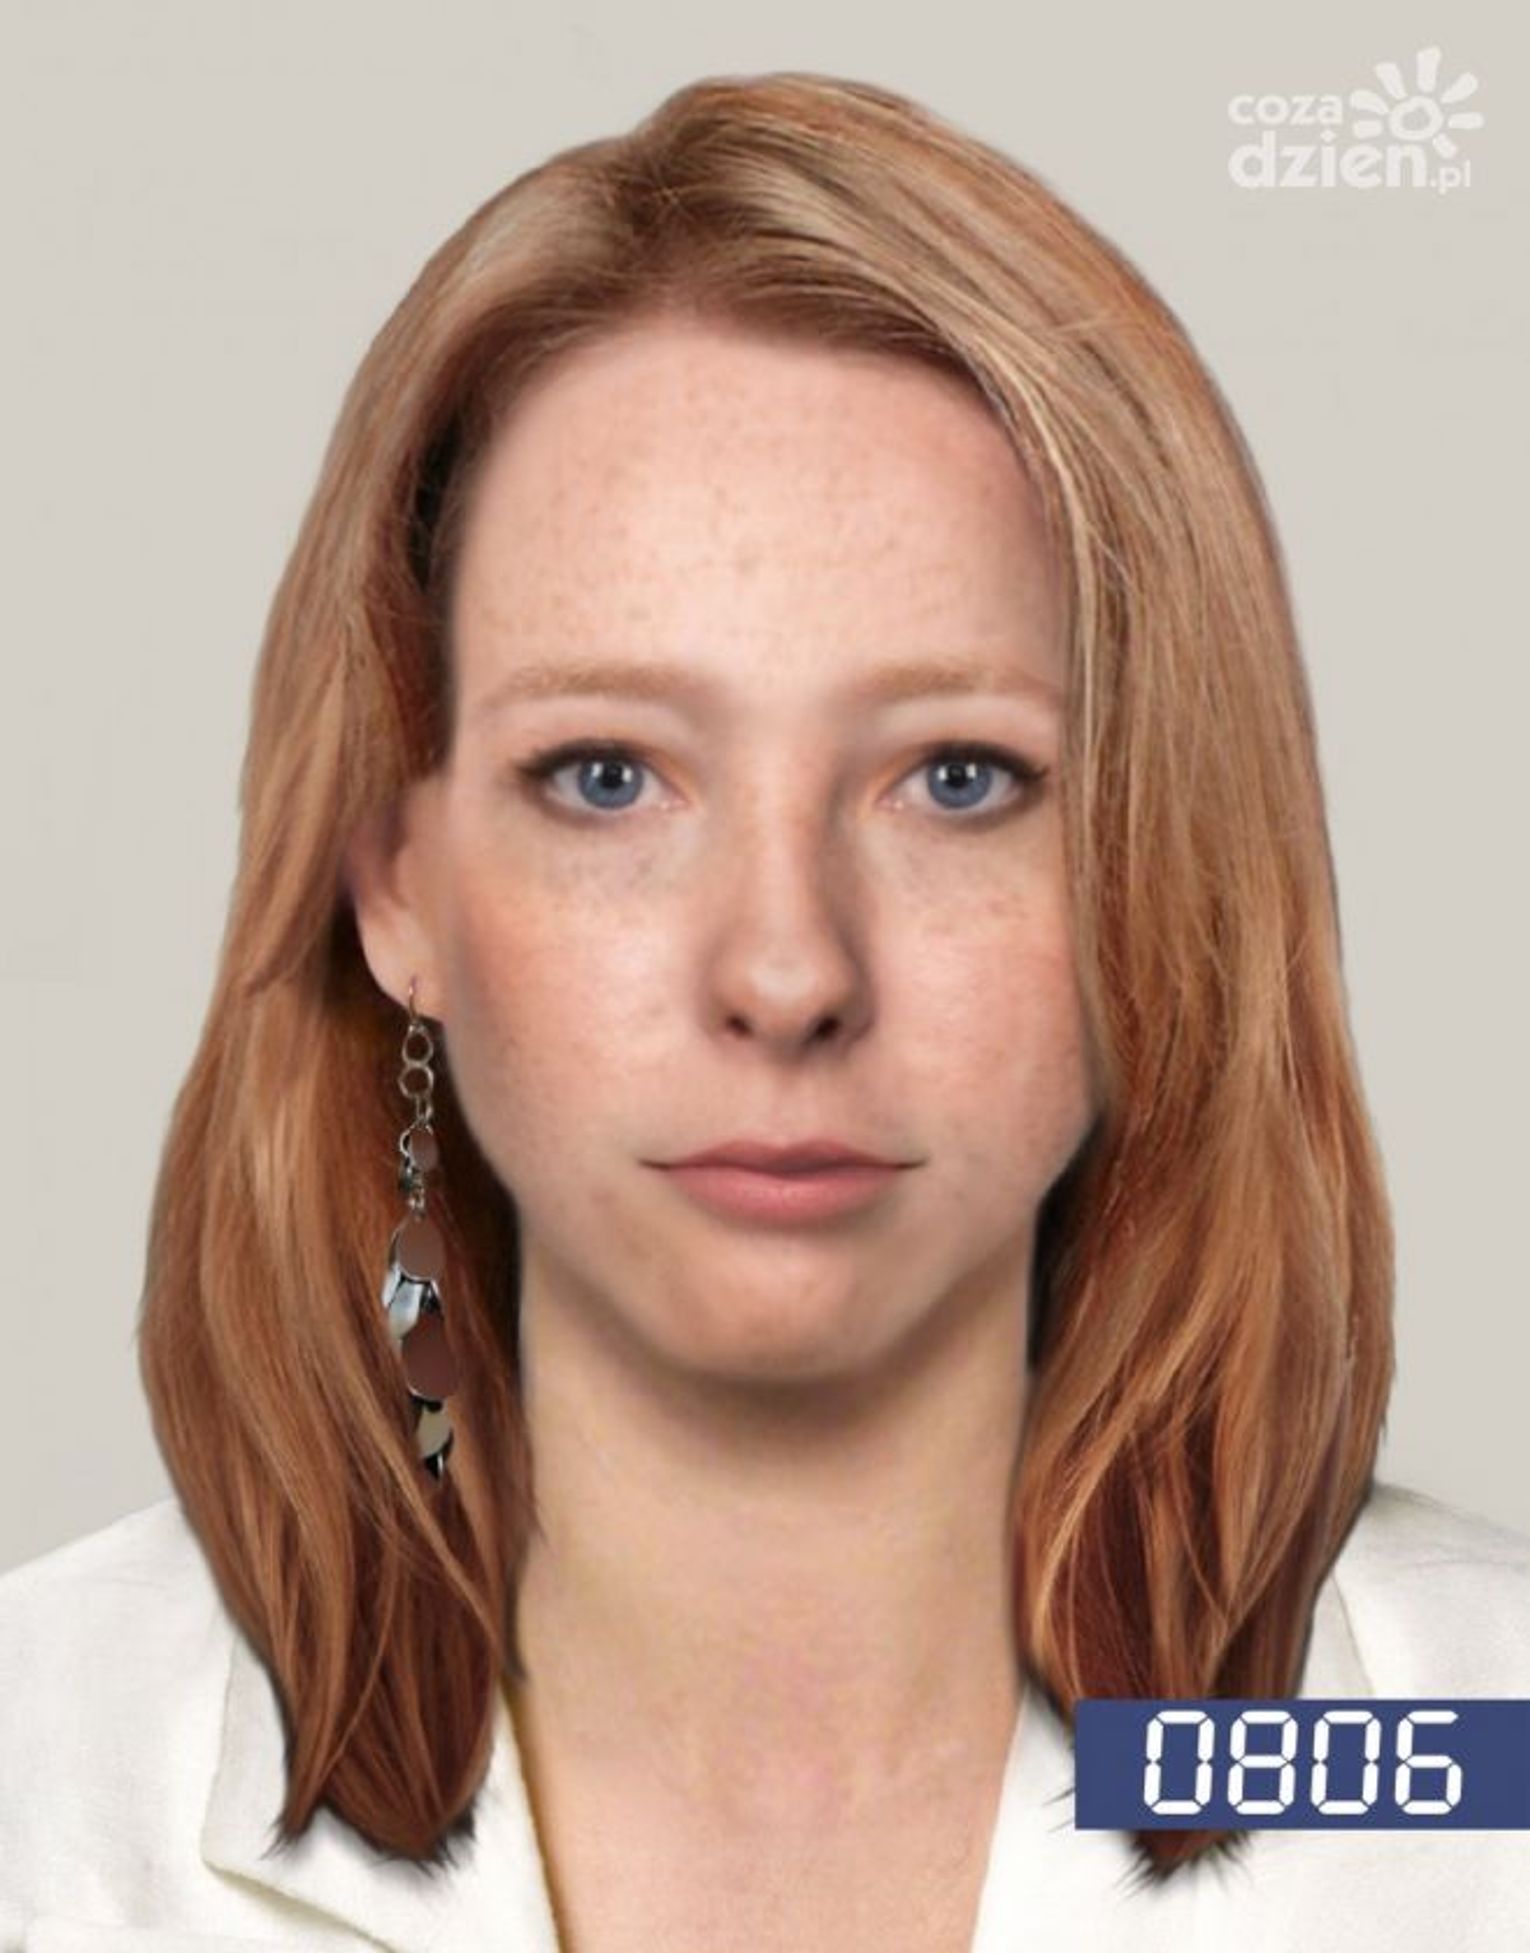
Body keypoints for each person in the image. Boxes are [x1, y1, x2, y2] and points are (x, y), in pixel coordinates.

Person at [2, 68, 1527, 1953]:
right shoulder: (38, 1778)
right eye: (607, 777)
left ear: (1160, 874)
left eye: (957, 777)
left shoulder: (1494, 1768)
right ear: (394, 883)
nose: (788, 972)